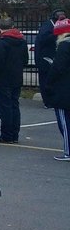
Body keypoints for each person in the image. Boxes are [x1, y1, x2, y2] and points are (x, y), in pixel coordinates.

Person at [48, 18, 70, 161]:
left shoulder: (64, 47)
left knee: (65, 123)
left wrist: (49, 82)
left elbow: (58, 69)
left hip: (64, 89)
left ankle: (68, 151)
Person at [36, 9, 67, 104]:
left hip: (53, 57)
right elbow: (43, 40)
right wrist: (57, 33)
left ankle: (52, 99)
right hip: (45, 58)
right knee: (46, 79)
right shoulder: (47, 26)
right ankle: (47, 101)